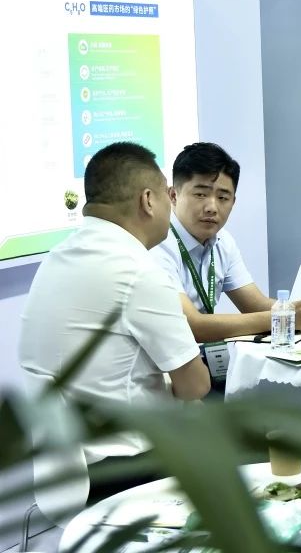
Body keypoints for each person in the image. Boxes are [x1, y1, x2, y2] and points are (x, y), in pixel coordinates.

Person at [19, 142, 210, 496]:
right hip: (129, 470)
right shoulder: (138, 271)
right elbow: (195, 386)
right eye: (167, 194)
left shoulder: (55, 259)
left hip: (60, 469)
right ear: (148, 200)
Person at [151, 143, 301, 343]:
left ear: (233, 202)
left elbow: (255, 305)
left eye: (223, 197)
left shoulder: (223, 241)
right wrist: (282, 317)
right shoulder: (156, 242)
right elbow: (190, 325)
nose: (212, 207)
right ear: (173, 195)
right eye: (200, 194)